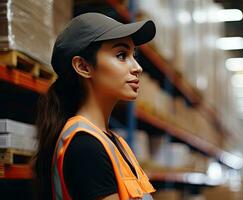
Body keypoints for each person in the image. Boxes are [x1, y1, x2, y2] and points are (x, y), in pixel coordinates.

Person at [34, 12, 156, 200]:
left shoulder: (115, 143)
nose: (137, 67)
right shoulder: (85, 147)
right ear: (83, 67)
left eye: (134, 55)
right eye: (122, 55)